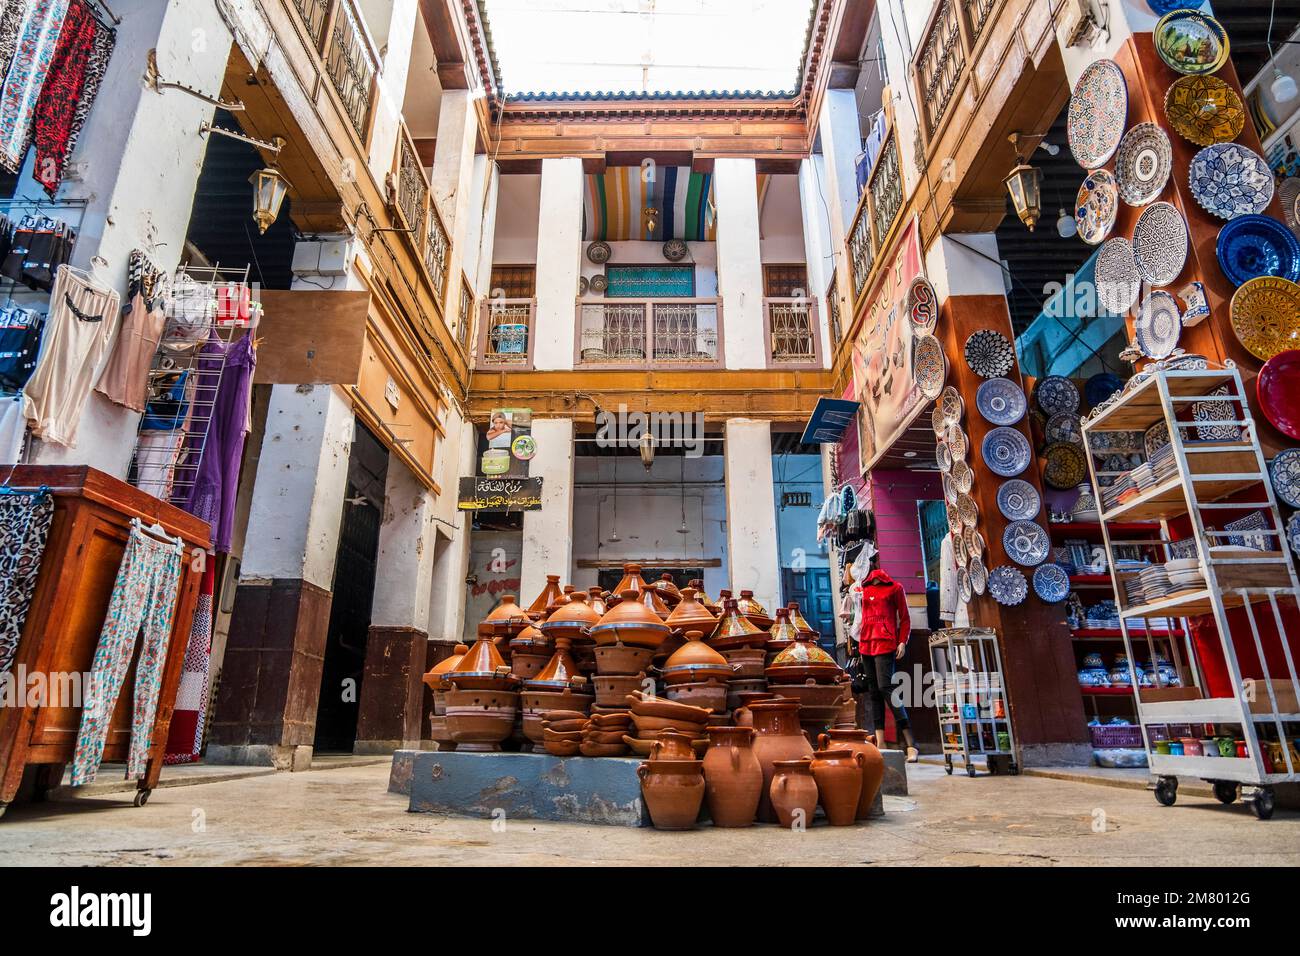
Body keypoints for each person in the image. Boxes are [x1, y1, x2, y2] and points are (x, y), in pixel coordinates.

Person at [855, 556, 919, 762]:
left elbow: (905, 617)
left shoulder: (894, 588)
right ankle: (880, 743)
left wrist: (902, 641)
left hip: (885, 642)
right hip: (865, 644)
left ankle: (911, 744)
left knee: (886, 687)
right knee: (873, 692)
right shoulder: (861, 590)